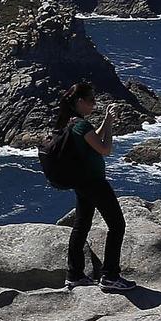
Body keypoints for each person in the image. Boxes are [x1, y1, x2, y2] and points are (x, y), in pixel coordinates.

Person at [57, 81, 135, 292]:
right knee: (117, 225)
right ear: (80, 102)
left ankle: (74, 275)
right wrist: (109, 126)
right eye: (91, 100)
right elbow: (105, 148)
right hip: (95, 183)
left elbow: (92, 138)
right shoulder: (81, 125)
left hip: (81, 182)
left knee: (81, 226)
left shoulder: (71, 123)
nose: (94, 103)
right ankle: (110, 276)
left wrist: (106, 119)